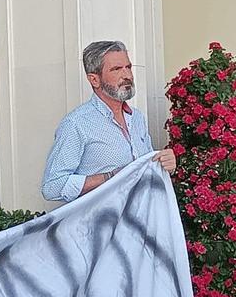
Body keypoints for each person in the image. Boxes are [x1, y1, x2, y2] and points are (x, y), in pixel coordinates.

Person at [41, 40, 176, 202]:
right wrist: (110, 176)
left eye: (128, 67)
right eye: (116, 69)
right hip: (101, 224)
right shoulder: (76, 123)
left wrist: (164, 164)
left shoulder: (137, 118)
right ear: (94, 80)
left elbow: (146, 169)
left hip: (140, 222)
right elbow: (52, 186)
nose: (127, 75)